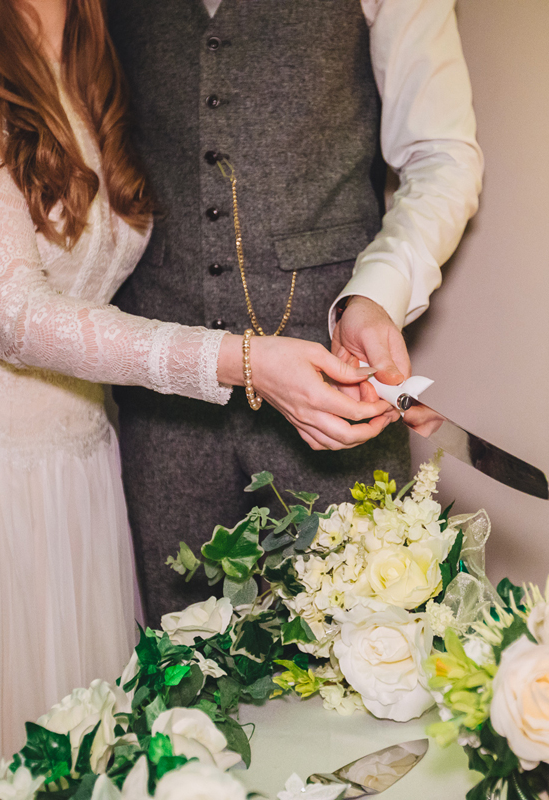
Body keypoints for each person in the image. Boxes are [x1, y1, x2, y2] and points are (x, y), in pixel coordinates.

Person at [0, 0, 394, 796]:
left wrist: (355, 379)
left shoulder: (98, 70)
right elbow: (14, 317)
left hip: (79, 488)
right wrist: (246, 363)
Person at [107, 0, 484, 622]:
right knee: (182, 679)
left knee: (365, 653)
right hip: (161, 403)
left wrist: (375, 296)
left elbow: (441, 156)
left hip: (339, 388)